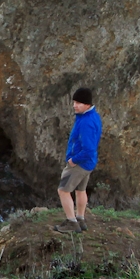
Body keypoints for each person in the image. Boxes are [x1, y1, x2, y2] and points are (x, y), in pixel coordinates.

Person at [54, 87, 102, 233]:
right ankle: (80, 218)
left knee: (63, 190)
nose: (75, 105)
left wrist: (73, 160)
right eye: (74, 101)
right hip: (89, 163)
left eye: (79, 102)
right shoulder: (93, 116)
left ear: (87, 104)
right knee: (81, 190)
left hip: (79, 164)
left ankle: (71, 222)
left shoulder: (86, 122)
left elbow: (88, 149)